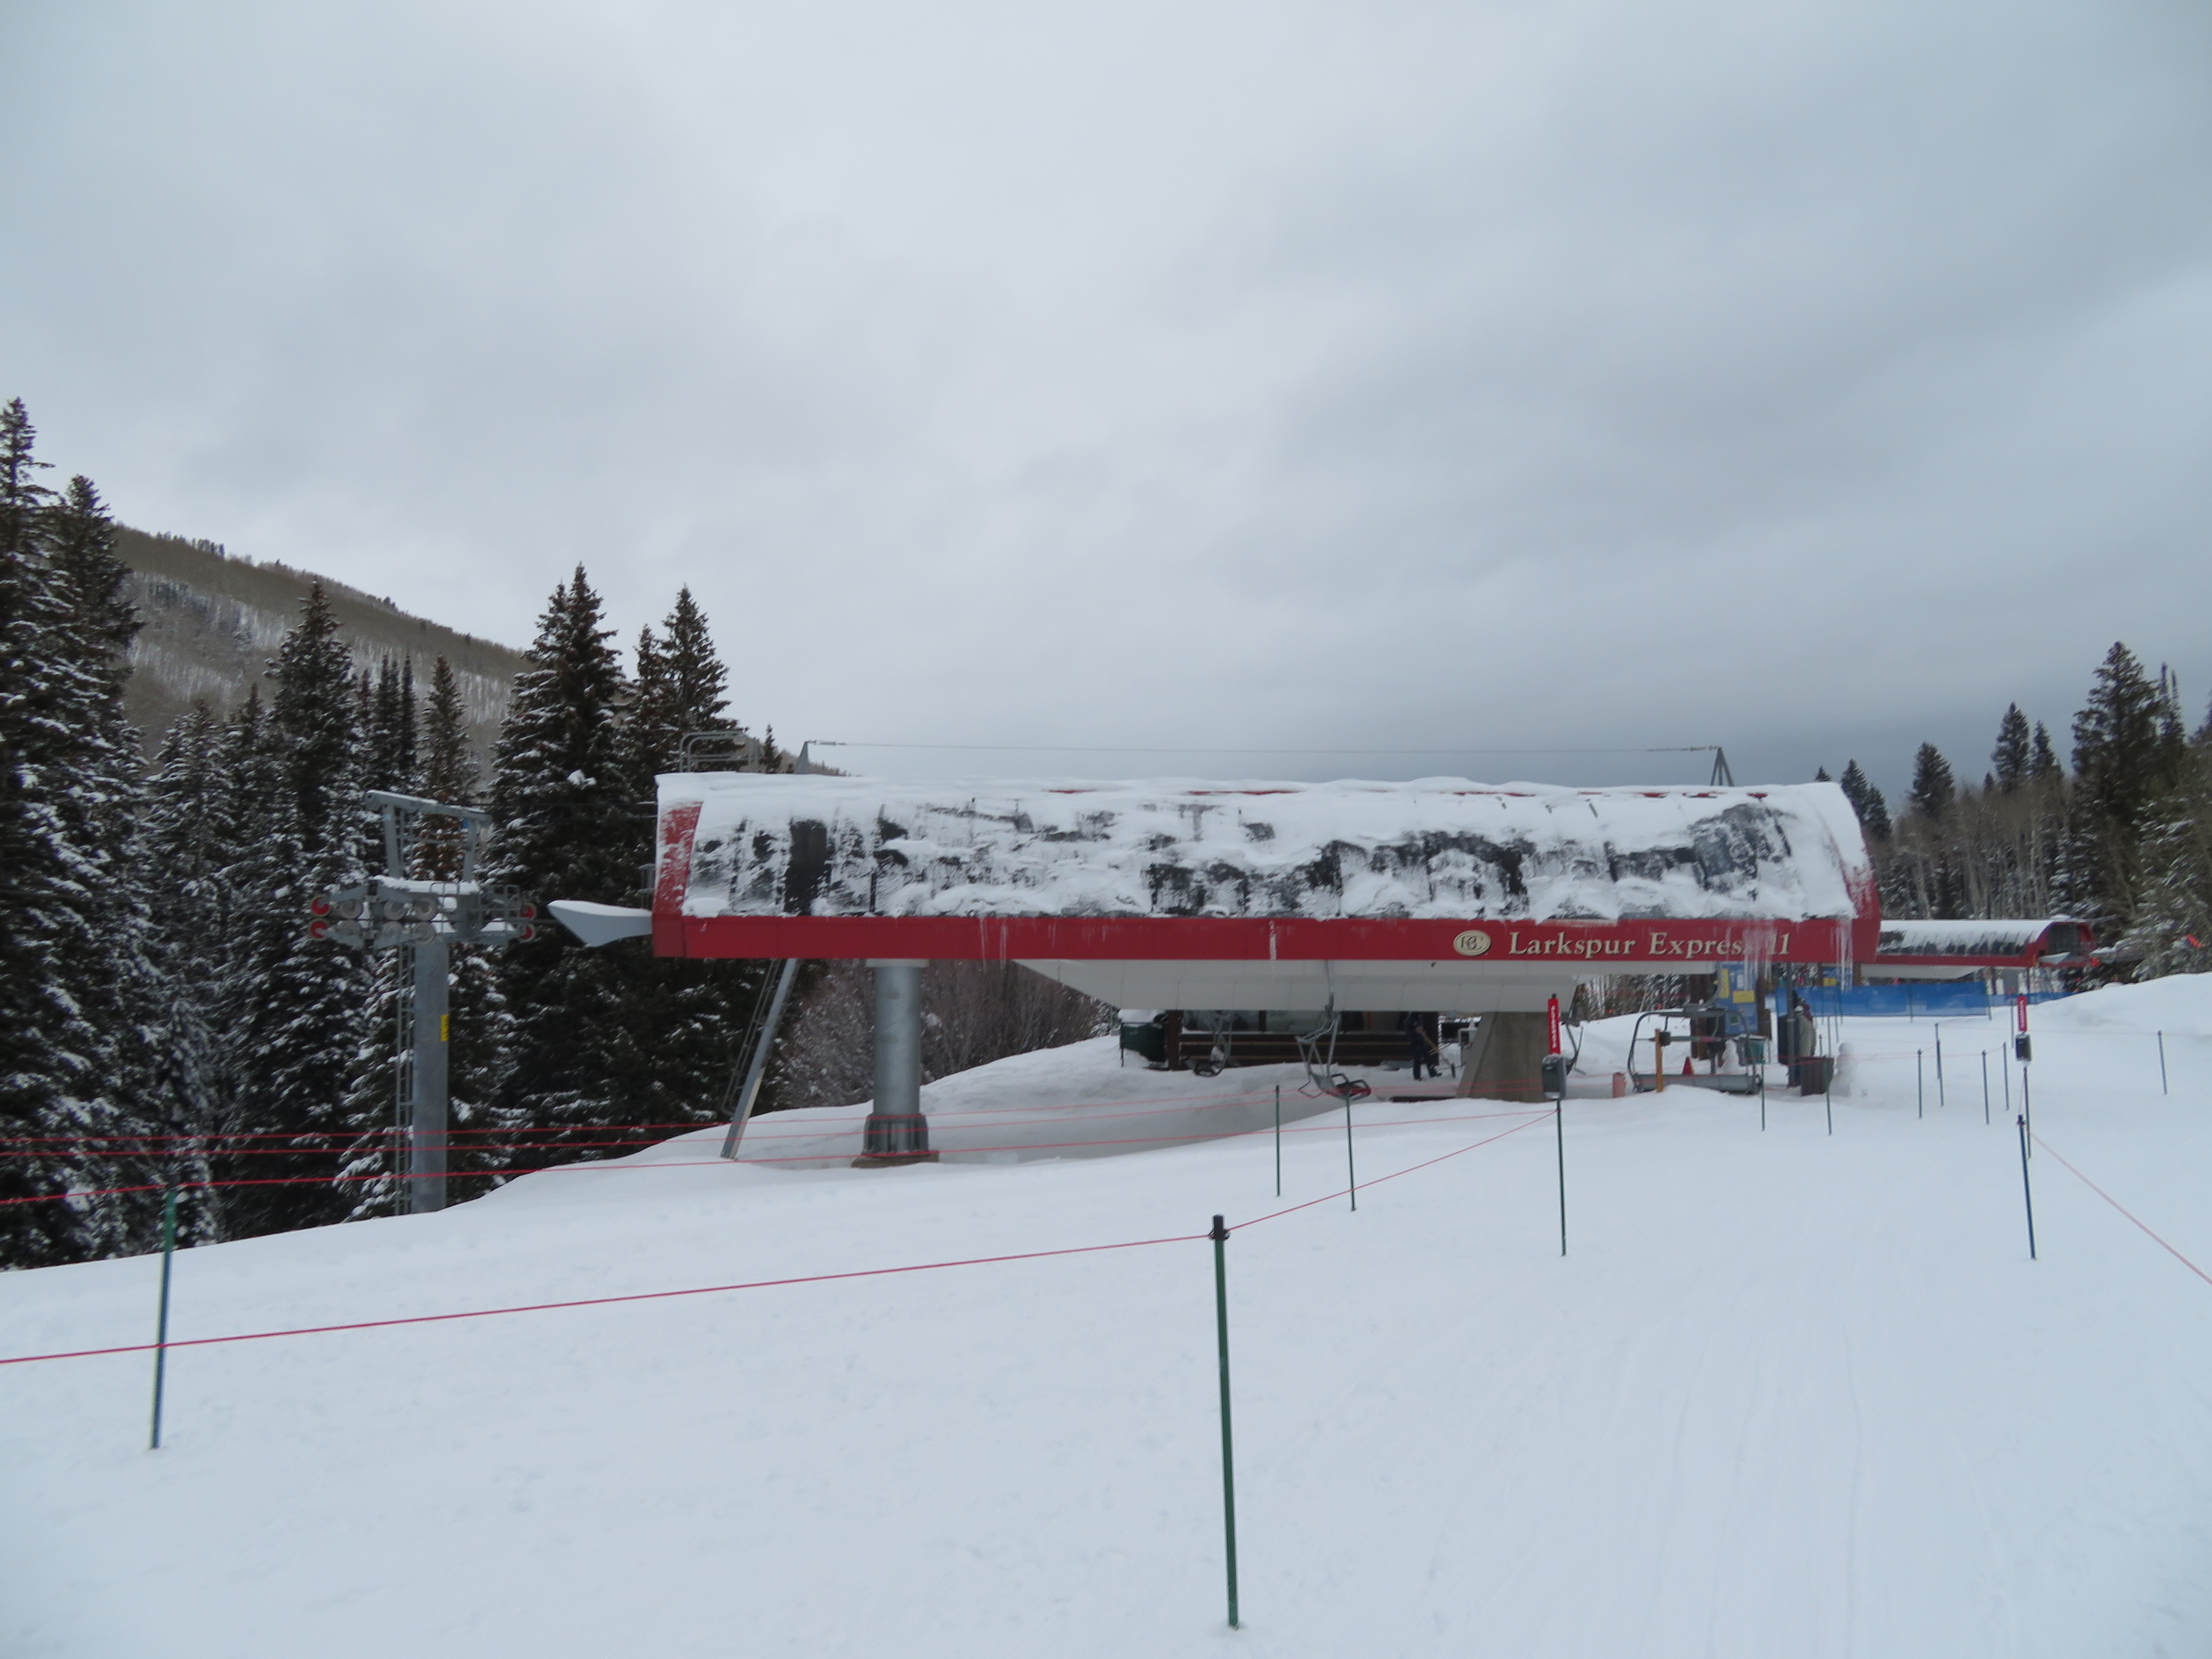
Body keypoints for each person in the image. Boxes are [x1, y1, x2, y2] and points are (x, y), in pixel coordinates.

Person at [1400, 1010, 1440, 1080]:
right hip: (1415, 1042)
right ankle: (1417, 1076)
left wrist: (1422, 1032)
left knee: (1428, 1057)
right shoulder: (1409, 1020)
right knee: (1418, 1059)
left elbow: (1421, 1028)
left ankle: (1433, 1073)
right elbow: (1408, 1032)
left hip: (1421, 1040)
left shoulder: (1419, 1018)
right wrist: (1415, 1031)